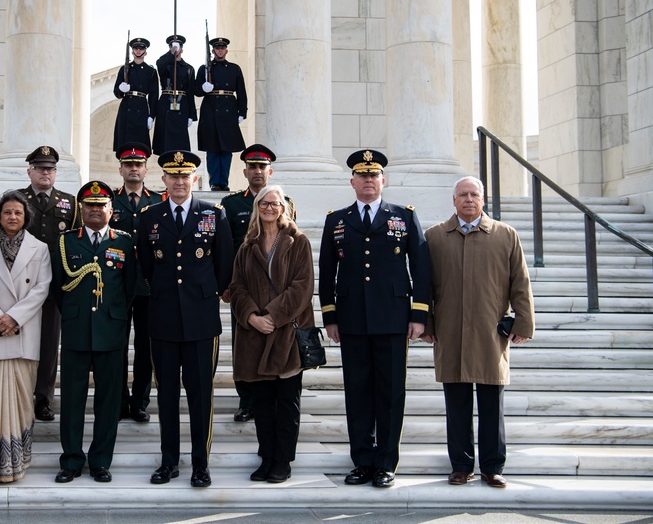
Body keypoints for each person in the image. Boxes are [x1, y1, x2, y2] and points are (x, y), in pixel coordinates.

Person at [318, 149, 431, 488]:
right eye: (362, 175)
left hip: (394, 318)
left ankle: (386, 462)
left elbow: (422, 269)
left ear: (384, 180)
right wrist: (330, 316)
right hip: (352, 320)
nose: (368, 180)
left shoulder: (404, 217)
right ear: (352, 181)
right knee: (357, 390)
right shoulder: (336, 220)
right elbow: (326, 272)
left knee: (391, 391)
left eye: (374, 175)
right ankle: (363, 461)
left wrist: (419, 314)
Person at [422, 176, 535, 489]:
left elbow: (520, 283)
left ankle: (492, 467)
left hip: (489, 332)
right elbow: (423, 287)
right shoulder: (434, 237)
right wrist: (427, 325)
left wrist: (524, 321)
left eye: (474, 194)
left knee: (491, 405)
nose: (468, 199)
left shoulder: (505, 235)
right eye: (463, 195)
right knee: (456, 405)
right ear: (453, 200)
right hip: (450, 331)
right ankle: (460, 466)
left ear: (483, 199)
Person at [137, 150, 234, 488]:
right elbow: (147, 266)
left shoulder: (213, 213)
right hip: (162, 317)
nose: (179, 181)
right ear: (163, 179)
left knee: (200, 394)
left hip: (201, 319)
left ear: (195, 178)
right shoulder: (149, 216)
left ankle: (200, 464)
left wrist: (207, 294)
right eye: (172, 176)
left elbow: (224, 265)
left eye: (185, 175)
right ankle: (168, 461)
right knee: (165, 395)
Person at [51, 181, 137, 484]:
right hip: (76, 330)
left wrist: (113, 315)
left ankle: (101, 460)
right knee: (72, 399)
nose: (95, 210)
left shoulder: (125, 242)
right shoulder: (65, 242)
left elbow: (129, 290)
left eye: (101, 205)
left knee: (109, 400)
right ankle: (71, 460)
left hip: (111, 330)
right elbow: (58, 287)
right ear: (81, 209)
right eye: (89, 205)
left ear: (111, 210)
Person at [227, 185, 314, 484]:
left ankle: (283, 460)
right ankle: (266, 456)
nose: (269, 208)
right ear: (256, 207)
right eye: (264, 203)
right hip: (255, 335)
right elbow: (236, 286)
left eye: (275, 203)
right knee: (262, 403)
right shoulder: (247, 244)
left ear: (284, 207)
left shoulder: (298, 242)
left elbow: (302, 287)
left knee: (287, 402)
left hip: (287, 333)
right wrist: (251, 316)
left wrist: (272, 317)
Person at [0, 189, 52, 483]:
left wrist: (14, 318)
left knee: (20, 400)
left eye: (18, 212)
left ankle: (17, 462)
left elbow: (42, 288)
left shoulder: (39, 249)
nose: (12, 217)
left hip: (23, 332)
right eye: (7, 212)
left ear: (25, 217)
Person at [221, 143, 297, 423]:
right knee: (244, 345)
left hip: (277, 290)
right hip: (245, 289)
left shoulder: (284, 201)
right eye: (252, 167)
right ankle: (247, 400)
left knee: (277, 340)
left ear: (270, 171)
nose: (256, 171)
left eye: (261, 167)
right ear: (244, 171)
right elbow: (226, 248)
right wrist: (227, 284)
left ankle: (274, 393)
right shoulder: (231, 204)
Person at [17, 145, 80, 422]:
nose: (46, 173)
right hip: (20, 286)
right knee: (20, 342)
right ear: (30, 171)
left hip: (55, 285)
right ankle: (19, 395)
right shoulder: (16, 199)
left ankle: (43, 399)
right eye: (41, 168)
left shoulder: (70, 202)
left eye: (51, 168)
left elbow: (77, 241)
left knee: (48, 343)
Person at [109, 142, 163, 423]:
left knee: (145, 347)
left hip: (146, 286)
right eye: (128, 164)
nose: (133, 168)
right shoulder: (109, 202)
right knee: (117, 345)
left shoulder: (157, 202)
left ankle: (140, 401)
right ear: (120, 169)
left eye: (138, 164)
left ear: (145, 170)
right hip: (116, 285)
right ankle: (118, 401)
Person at [194, 36, 247, 191]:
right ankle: (214, 183)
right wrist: (204, 88)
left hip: (228, 110)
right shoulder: (204, 69)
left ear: (226, 50)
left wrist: (242, 111)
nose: (220, 50)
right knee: (212, 149)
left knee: (226, 149)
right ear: (213, 50)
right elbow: (196, 91)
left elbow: (241, 92)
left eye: (222, 48)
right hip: (210, 110)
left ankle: (223, 182)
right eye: (217, 48)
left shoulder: (234, 68)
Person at [153, 35, 197, 155]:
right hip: (166, 104)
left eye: (178, 46)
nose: (176, 49)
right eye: (173, 46)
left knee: (180, 143)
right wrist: (171, 53)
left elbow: (190, 91)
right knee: (165, 143)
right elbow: (159, 63)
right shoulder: (165, 65)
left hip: (182, 105)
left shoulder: (189, 68)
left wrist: (191, 115)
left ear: (182, 49)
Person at [112, 37, 158, 152]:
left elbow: (153, 96)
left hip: (141, 108)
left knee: (140, 143)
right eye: (136, 48)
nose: (138, 50)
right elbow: (116, 93)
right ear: (132, 51)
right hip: (126, 107)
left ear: (145, 52)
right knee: (124, 144)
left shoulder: (151, 71)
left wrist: (152, 116)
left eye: (141, 48)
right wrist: (121, 89)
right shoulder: (124, 69)